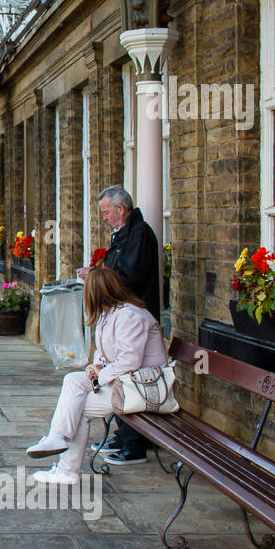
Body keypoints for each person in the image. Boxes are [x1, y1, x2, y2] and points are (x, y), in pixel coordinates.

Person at [25, 267, 168, 484]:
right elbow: (106, 352)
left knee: (78, 410)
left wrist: (100, 375)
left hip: (143, 388)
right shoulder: (109, 314)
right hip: (124, 382)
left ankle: (67, 469)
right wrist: (96, 365)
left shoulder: (130, 315)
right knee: (72, 380)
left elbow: (130, 361)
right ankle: (57, 438)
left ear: (96, 293)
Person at [76, 186, 162, 465]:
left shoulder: (139, 234)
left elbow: (130, 275)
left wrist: (98, 275)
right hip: (121, 314)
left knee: (130, 376)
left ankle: (134, 442)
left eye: (106, 212)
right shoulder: (125, 233)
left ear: (121, 209)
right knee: (119, 374)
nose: (104, 217)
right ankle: (124, 436)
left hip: (133, 316)